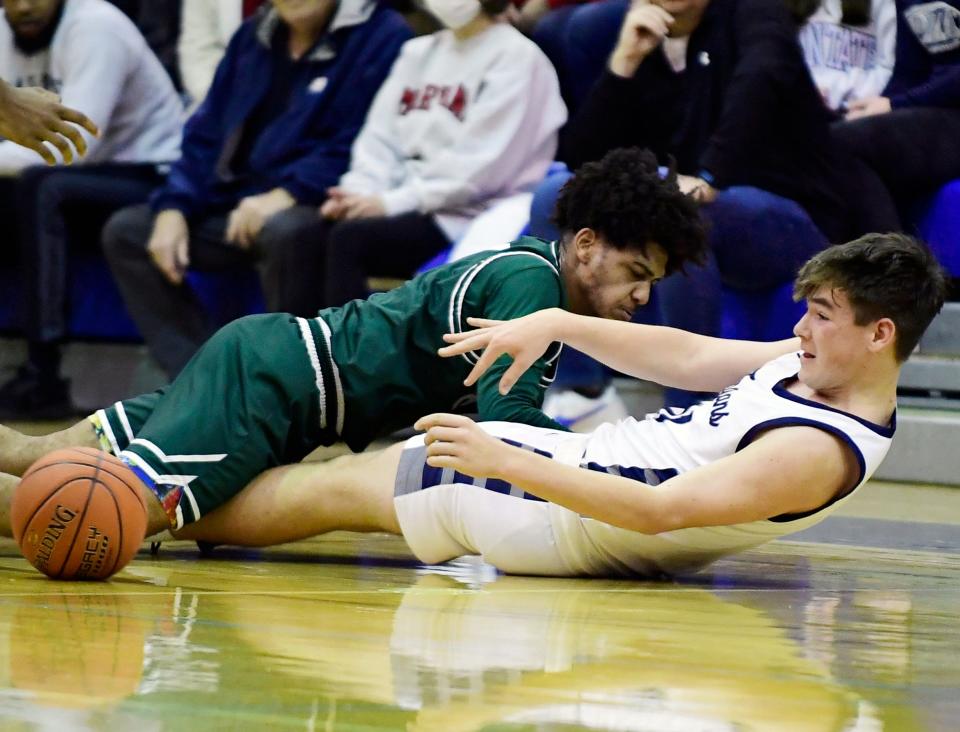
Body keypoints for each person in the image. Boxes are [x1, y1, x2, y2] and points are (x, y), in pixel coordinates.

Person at [0, 148, 706, 536]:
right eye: (635, 274)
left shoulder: (522, 268)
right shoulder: (533, 291)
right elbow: (510, 429)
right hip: (279, 389)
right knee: (117, 516)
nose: (641, 298)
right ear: (586, 246)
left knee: (41, 453)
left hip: (272, 364)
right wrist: (605, 470)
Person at [162, 233, 946, 579]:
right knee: (325, 489)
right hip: (569, 475)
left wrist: (509, 458)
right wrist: (562, 321)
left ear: (880, 334)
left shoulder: (816, 449)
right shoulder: (814, 368)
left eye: (821, 315)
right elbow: (691, 357)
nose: (800, 328)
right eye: (805, 309)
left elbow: (658, 514)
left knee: (320, 491)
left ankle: (117, 514)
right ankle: (117, 502)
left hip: (559, 515)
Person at [101, 0, 412, 381]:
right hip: (235, 202)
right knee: (130, 232)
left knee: (287, 231)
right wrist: (174, 206)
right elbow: (205, 131)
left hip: (322, 200)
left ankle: (287, 385)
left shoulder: (383, 35)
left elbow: (364, 140)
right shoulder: (253, 35)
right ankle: (205, 382)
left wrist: (289, 193)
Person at [0, 0, 185, 419]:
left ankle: (44, 373)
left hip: (149, 174)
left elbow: (74, 148)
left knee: (41, 188)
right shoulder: (2, 31)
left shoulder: (96, 26)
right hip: (65, 178)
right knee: (33, 186)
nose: (24, 6)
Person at [316, 0, 567, 308]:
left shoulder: (518, 57)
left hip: (472, 213)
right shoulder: (417, 53)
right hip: (406, 202)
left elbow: (480, 170)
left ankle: (346, 352)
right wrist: (357, 193)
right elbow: (379, 138)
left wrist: (388, 203)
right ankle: (297, 350)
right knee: (304, 231)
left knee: (348, 239)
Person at [0, 80, 98, 164]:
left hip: (99, 167)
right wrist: (6, 99)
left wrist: (6, 99)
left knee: (44, 181)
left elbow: (81, 141)